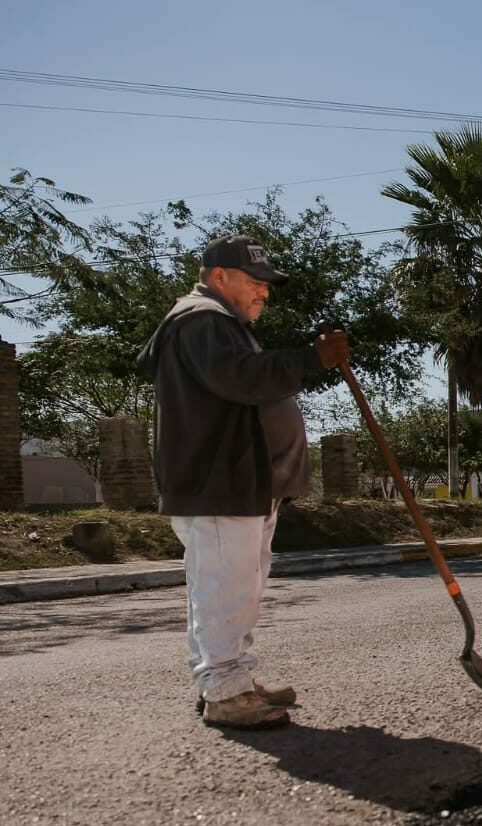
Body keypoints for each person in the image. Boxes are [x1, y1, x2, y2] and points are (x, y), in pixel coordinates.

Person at [136, 234, 350, 729]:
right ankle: (225, 691)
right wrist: (309, 359)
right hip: (218, 483)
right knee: (223, 589)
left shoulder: (220, 324)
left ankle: (231, 678)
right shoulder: (201, 321)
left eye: (265, 284)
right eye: (255, 282)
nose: (264, 292)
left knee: (239, 588)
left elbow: (245, 381)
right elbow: (243, 378)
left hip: (239, 483)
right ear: (219, 277)